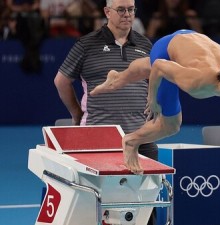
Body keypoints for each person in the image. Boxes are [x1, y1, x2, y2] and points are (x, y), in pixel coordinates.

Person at [90, 29, 220, 174]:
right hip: (167, 49)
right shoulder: (197, 82)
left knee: (147, 66)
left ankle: (116, 78)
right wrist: (152, 97)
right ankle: (131, 141)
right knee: (171, 125)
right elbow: (159, 66)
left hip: (192, 39)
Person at [53, 0, 157, 224]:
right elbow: (61, 81)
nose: (127, 14)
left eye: (131, 9)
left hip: (141, 138)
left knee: (146, 209)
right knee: (98, 209)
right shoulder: (86, 44)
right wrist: (76, 114)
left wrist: (154, 100)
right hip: (99, 140)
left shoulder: (146, 45)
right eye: (121, 9)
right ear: (107, 12)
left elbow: (157, 80)